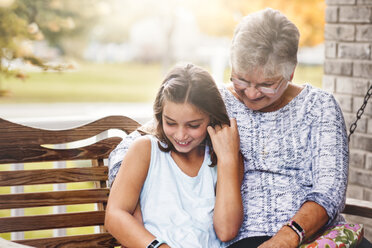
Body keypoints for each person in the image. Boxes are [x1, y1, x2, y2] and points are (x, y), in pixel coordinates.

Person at [108, 8, 363, 248]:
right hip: (248, 238)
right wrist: (133, 201)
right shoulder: (215, 102)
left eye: (266, 84)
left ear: (291, 73)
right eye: (241, 79)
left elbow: (329, 191)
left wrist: (288, 236)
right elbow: (139, 143)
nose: (251, 94)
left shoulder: (319, 107)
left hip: (314, 235)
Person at [105, 63, 244, 248]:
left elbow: (227, 231)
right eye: (170, 123)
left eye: (193, 125)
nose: (180, 135)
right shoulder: (145, 150)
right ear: (160, 115)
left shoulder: (223, 158)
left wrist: (228, 160)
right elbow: (115, 215)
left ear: (212, 118)